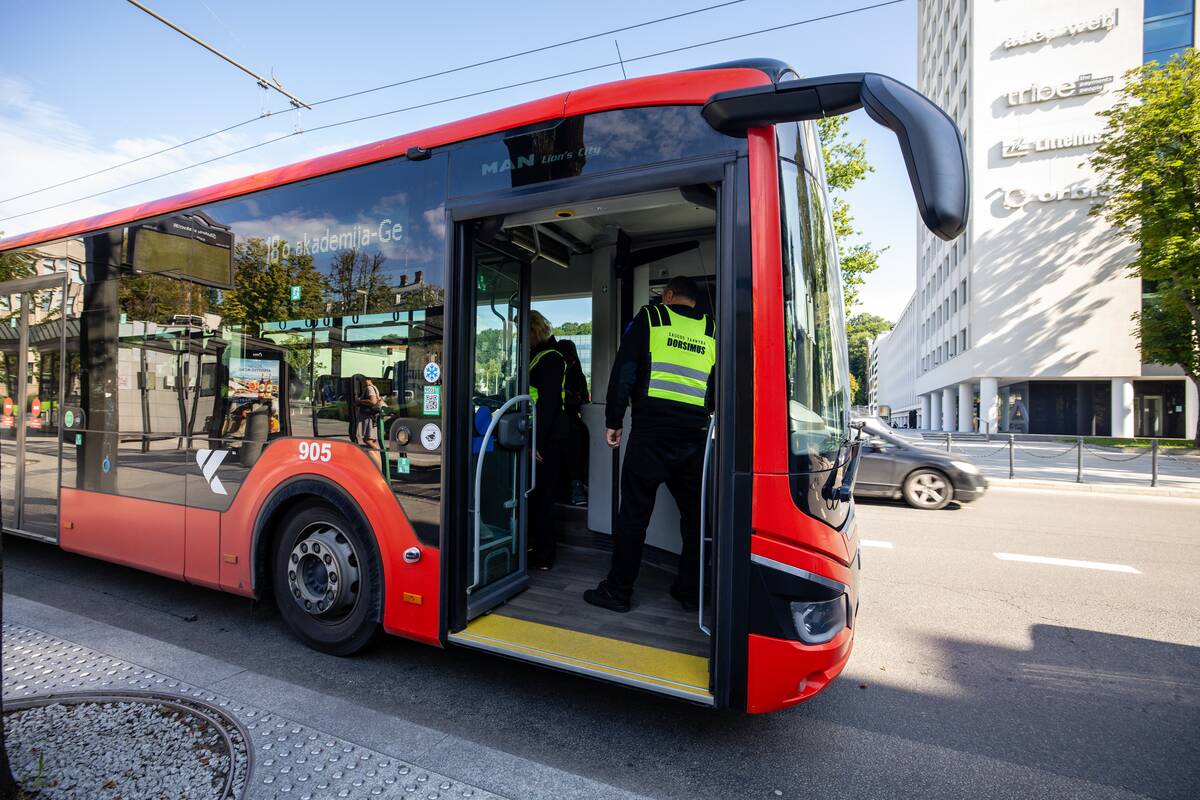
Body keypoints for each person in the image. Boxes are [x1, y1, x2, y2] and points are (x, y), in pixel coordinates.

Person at [584, 275, 715, 613]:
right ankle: (690, 591)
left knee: (633, 515)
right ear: (695, 302)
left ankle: (618, 591)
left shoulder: (651, 317)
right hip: (694, 438)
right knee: (696, 519)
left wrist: (614, 421)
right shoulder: (711, 330)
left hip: (650, 434)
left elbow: (624, 370)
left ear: (669, 295)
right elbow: (717, 385)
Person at [527, 311, 568, 570]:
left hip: (547, 438)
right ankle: (535, 548)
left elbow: (549, 404)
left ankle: (544, 555)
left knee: (543, 497)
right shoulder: (540, 356)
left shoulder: (550, 358)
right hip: (541, 435)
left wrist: (536, 444)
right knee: (536, 496)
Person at [554, 336, 590, 505]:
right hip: (562, 418)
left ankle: (577, 484)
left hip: (568, 417)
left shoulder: (576, 375)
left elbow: (582, 398)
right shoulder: (558, 371)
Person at [355, 374, 383, 467]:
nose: (363, 383)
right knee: (371, 442)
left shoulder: (369, 388)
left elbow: (373, 402)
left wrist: (359, 401)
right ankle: (379, 466)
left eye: (364, 380)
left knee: (368, 441)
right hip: (371, 418)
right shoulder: (374, 388)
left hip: (368, 418)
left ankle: (378, 466)